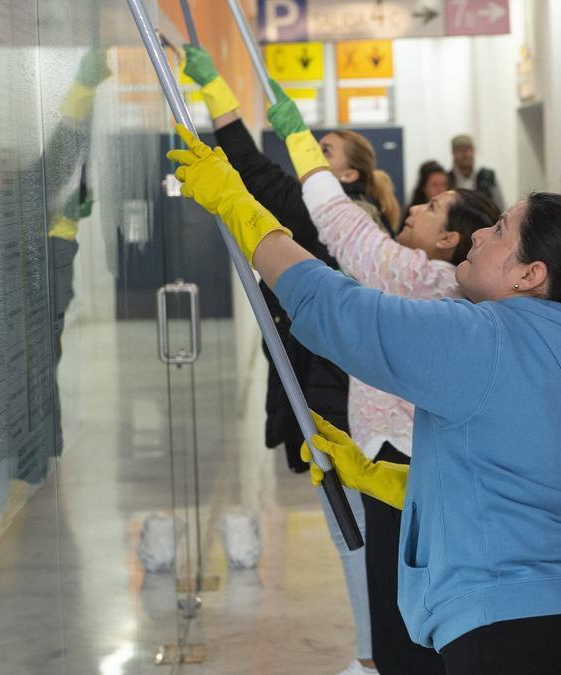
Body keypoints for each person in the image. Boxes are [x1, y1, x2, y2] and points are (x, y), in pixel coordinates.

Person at [168, 123, 561, 674]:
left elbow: (335, 308)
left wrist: (238, 207)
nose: (477, 236)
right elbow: (516, 481)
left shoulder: (483, 337)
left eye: (497, 230)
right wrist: (380, 478)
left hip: (515, 632)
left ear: (530, 274)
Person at [267, 80, 499, 674]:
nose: (416, 207)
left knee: (404, 607)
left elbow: (341, 226)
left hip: (402, 462)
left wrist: (300, 145)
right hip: (421, 460)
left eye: (431, 209)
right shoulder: (459, 289)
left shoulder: (422, 277)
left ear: (448, 239)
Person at [183, 44, 379, 675]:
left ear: (346, 177)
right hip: (325, 381)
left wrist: (219, 100)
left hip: (338, 391)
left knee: (356, 527)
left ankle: (376, 655)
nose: (307, 158)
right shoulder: (347, 218)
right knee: (354, 523)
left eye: (323, 154)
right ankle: (378, 649)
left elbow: (253, 173)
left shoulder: (342, 221)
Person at [448, 134, 504, 211]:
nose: (464, 154)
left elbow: (500, 208)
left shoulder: (488, 177)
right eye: (459, 149)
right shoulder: (446, 180)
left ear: (474, 151)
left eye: (467, 149)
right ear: (453, 153)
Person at [403, 160, 449, 224]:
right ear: (424, 188)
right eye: (434, 185)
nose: (440, 189)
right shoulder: (413, 214)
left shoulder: (453, 213)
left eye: (444, 184)